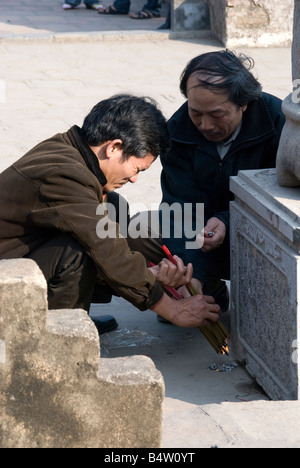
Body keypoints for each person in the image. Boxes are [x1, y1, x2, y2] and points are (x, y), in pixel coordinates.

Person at [0, 94, 221, 334]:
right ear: (114, 147)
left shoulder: (69, 150)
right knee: (76, 253)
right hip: (7, 280)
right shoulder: (64, 174)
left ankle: (73, 316)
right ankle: (59, 340)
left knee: (113, 209)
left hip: (17, 264)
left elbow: (113, 251)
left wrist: (150, 275)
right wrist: (173, 310)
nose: (135, 179)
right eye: (137, 168)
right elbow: (106, 250)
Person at [160, 50, 286, 311]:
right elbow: (179, 207)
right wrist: (190, 277)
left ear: (244, 103)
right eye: (196, 113)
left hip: (260, 235)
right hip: (202, 238)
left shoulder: (278, 123)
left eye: (217, 114)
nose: (205, 125)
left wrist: (228, 220)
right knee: (145, 237)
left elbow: (282, 201)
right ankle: (209, 285)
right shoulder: (177, 130)